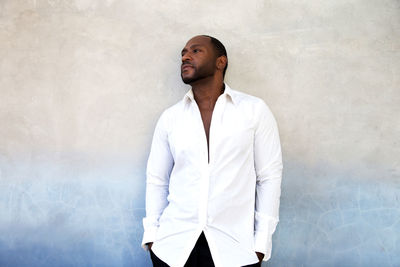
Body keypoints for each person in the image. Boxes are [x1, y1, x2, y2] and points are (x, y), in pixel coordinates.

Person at [142, 35, 282, 267]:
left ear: (221, 62)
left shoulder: (254, 111)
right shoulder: (170, 118)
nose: (185, 56)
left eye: (196, 51)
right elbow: (156, 179)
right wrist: (152, 238)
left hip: (235, 251)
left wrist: (261, 244)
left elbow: (269, 177)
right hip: (173, 249)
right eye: (183, 53)